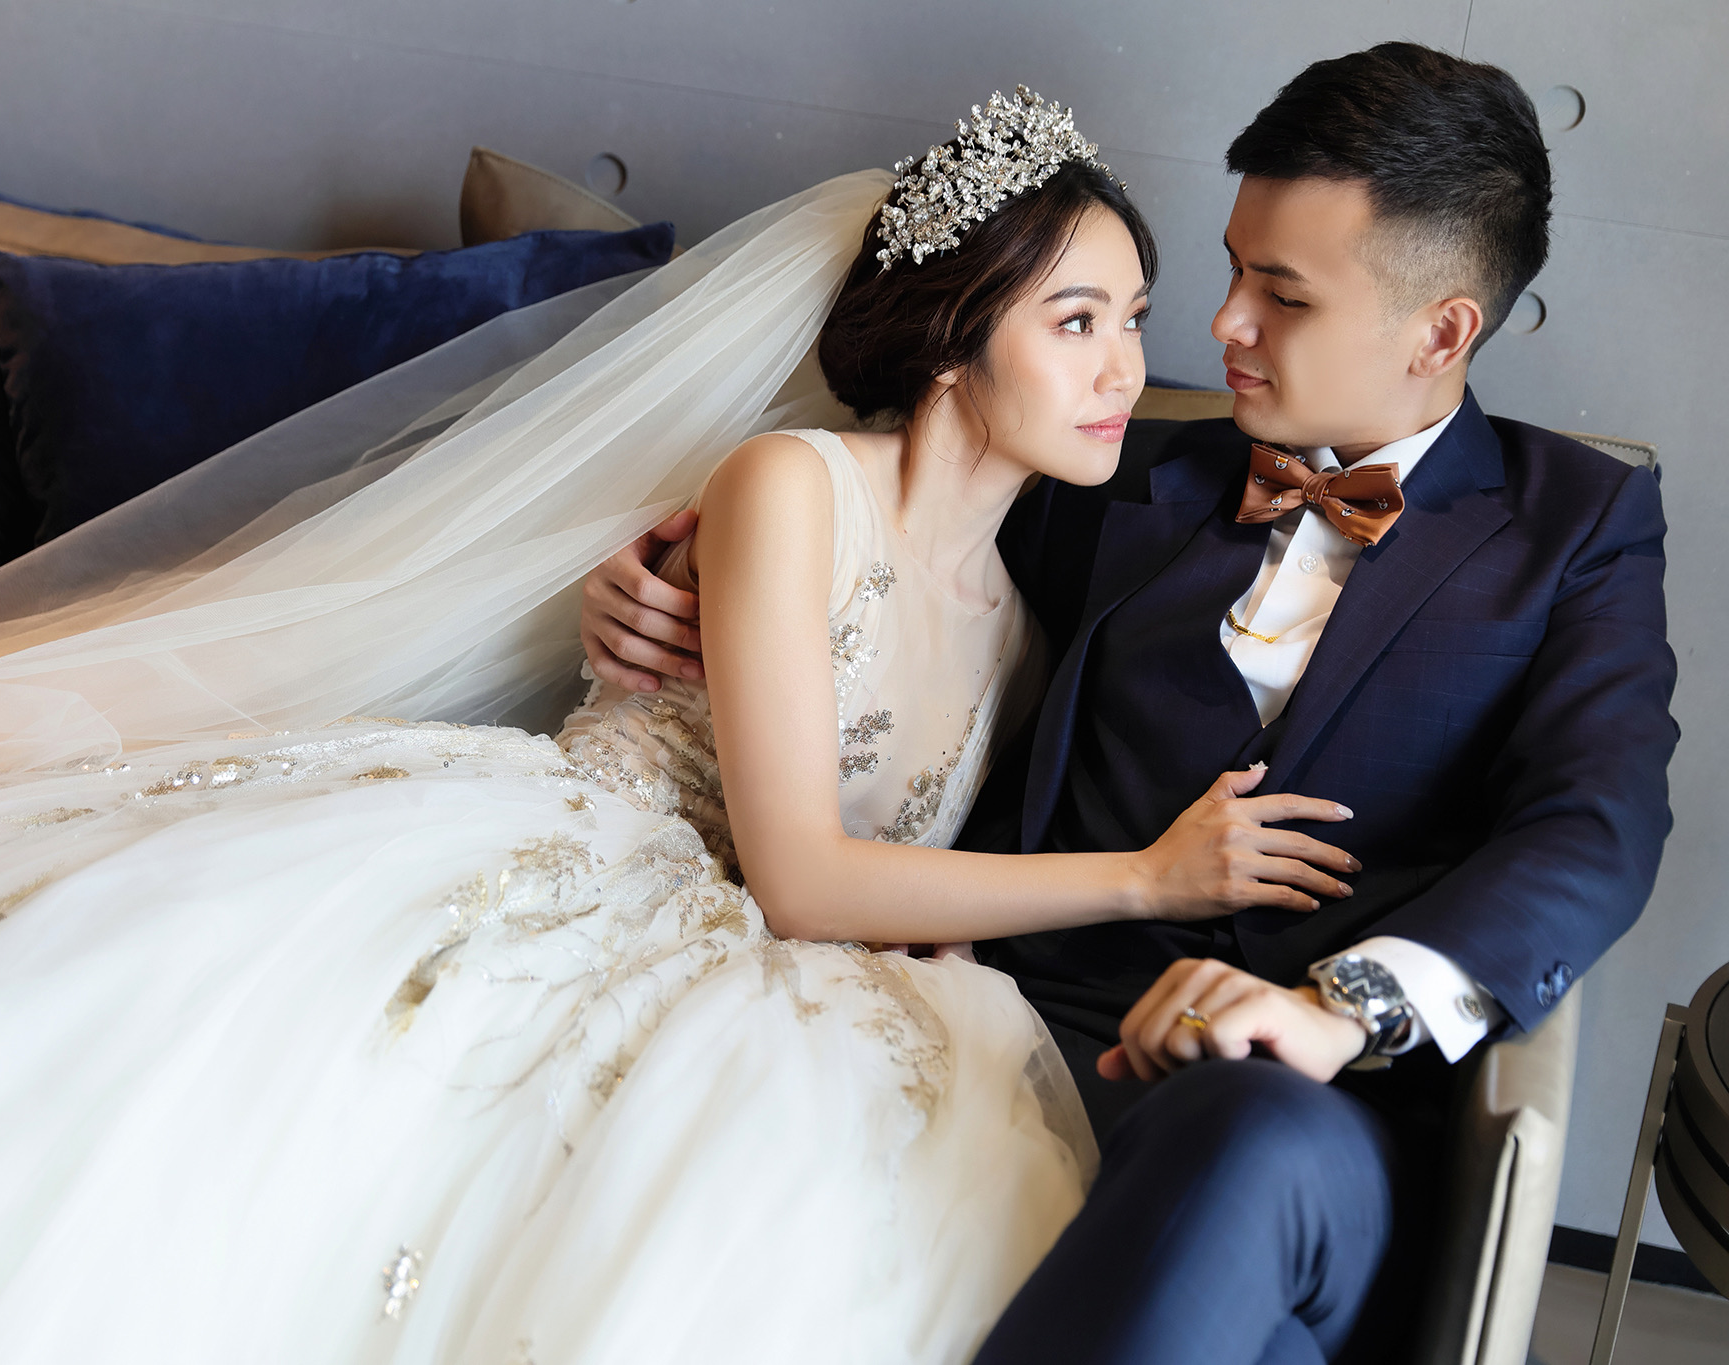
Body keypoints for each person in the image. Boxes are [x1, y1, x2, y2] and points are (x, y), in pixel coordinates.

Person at [0, 94, 1357, 1363]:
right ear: (951, 334)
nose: (1128, 365)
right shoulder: (791, 485)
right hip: (568, 867)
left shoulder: (1024, 628)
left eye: (1134, 315)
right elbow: (800, 870)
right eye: (1077, 319)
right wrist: (1147, 876)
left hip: (770, 984)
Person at [581, 44, 1678, 1365]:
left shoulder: (1577, 528)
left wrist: (1345, 1005)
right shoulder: (1118, 471)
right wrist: (666, 576)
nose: (1222, 326)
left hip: (1310, 1105)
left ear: (1441, 331)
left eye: (1282, 294)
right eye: (1231, 270)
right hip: (1006, 1032)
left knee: (1246, 1147)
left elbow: (1597, 826)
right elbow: (889, 538)